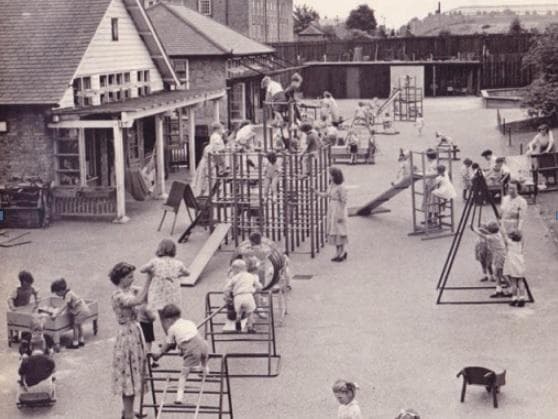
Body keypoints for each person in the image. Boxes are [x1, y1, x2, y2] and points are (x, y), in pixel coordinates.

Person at [109, 262, 152, 419]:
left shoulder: (129, 290)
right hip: (127, 335)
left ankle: (129, 410)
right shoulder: (118, 295)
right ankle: (128, 414)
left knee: (134, 373)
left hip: (134, 332)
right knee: (129, 375)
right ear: (120, 279)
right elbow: (138, 300)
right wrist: (149, 278)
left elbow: (143, 293)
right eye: (129, 277)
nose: (132, 279)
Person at [152, 304, 210, 404]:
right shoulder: (189, 322)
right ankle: (204, 369)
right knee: (203, 357)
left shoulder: (172, 328)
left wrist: (160, 352)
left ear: (169, 320)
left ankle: (179, 396)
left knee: (184, 374)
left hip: (192, 349)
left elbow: (169, 344)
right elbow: (189, 337)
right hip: (203, 345)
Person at [140, 239, 189, 333]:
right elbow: (187, 273)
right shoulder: (178, 263)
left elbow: (142, 269)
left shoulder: (155, 261)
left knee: (163, 317)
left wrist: (151, 271)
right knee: (175, 316)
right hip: (173, 293)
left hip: (160, 294)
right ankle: (177, 335)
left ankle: (169, 337)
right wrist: (178, 275)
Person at [312, 167, 348, 262]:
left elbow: (344, 201)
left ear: (334, 176)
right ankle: (339, 252)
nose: (329, 176)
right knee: (334, 230)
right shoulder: (332, 185)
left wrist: (340, 214)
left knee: (339, 230)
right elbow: (326, 195)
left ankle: (341, 252)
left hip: (338, 209)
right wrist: (315, 192)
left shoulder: (341, 187)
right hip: (332, 208)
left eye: (330, 174)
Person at [471, 221, 509, 298]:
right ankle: (499, 290)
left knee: (500, 273)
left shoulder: (492, 237)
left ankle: (510, 287)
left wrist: (473, 229)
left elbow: (482, 235)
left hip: (499, 257)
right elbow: (486, 232)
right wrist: (480, 228)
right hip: (499, 256)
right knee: (498, 274)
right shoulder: (497, 234)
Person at [224, 259, 263, 333]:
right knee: (250, 312)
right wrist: (255, 290)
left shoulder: (234, 278)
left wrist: (228, 296)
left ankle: (238, 319)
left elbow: (226, 288)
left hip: (237, 297)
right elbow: (259, 286)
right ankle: (250, 327)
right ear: (245, 268)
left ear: (235, 270)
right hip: (248, 295)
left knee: (239, 311)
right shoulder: (250, 276)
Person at [50, 278, 90, 349]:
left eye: (57, 293)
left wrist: (56, 314)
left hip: (80, 311)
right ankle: (81, 340)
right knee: (79, 325)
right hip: (84, 310)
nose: (57, 295)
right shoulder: (70, 293)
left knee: (75, 326)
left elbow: (65, 305)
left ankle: (75, 342)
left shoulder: (68, 294)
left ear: (61, 290)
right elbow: (69, 307)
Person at [8, 271, 39, 343]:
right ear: (23, 282)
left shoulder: (31, 288)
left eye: (29, 283)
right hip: (17, 308)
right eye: (27, 283)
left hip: (26, 307)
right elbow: (10, 299)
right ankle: (15, 335)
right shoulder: (17, 289)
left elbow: (36, 293)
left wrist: (37, 301)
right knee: (15, 321)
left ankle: (25, 334)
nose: (28, 285)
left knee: (26, 320)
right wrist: (12, 307)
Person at [503, 229, 527, 307]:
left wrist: (501, 224)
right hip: (520, 264)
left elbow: (504, 233)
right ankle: (522, 298)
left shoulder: (510, 243)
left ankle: (514, 298)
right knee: (520, 282)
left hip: (513, 266)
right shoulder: (520, 244)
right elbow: (522, 237)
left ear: (511, 237)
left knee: (513, 283)